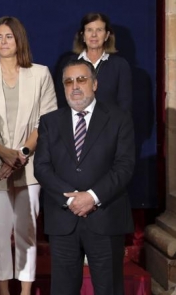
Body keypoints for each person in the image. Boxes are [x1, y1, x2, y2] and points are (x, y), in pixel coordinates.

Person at [0, 16, 57, 295]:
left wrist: (22, 153)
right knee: (0, 232)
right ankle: (4, 290)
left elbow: (47, 121)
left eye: (8, 36)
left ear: (19, 40)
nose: (3, 42)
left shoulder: (40, 73)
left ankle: (26, 290)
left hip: (30, 165)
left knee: (27, 231)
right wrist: (4, 153)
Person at [35, 60, 135, 295]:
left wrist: (92, 197)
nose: (75, 86)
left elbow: (124, 167)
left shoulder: (119, 119)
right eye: (69, 81)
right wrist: (71, 200)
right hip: (63, 220)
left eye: (81, 79)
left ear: (95, 83)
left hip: (105, 217)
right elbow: (42, 167)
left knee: (108, 289)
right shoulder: (50, 122)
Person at [54, 12, 132, 112]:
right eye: (89, 30)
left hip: (109, 125)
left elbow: (125, 107)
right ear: (82, 35)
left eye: (99, 30)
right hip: (76, 125)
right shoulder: (67, 63)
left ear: (107, 35)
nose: (94, 35)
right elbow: (61, 101)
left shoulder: (120, 65)